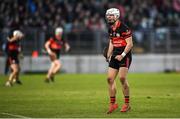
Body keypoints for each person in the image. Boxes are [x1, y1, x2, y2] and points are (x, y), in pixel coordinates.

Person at [104, 8, 133, 113]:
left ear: (116, 16)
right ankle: (113, 104)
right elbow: (112, 41)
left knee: (122, 78)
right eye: (108, 15)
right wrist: (109, 54)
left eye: (111, 15)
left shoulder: (124, 28)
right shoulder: (111, 28)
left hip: (125, 55)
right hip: (115, 55)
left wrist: (122, 55)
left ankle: (127, 104)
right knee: (109, 79)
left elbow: (130, 44)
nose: (109, 17)